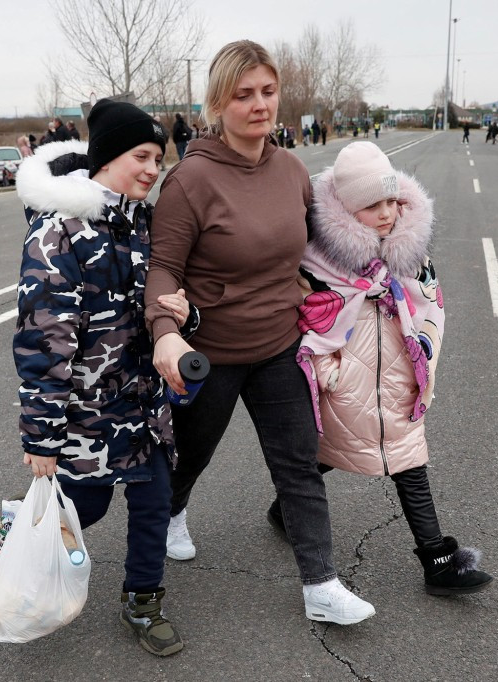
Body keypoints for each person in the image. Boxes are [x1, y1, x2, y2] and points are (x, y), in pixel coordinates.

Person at [146, 39, 376, 626]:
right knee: (191, 455)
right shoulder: (190, 181)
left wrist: (391, 254)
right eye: (243, 94)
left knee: (297, 464)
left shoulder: (292, 169)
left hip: (280, 347)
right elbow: (163, 268)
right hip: (212, 353)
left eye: (268, 92)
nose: (259, 104)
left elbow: (320, 250)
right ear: (218, 103)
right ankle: (172, 512)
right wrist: (165, 334)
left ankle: (321, 585)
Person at [13, 99, 197, 657]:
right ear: (107, 157)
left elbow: (164, 304)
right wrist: (42, 439)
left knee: (154, 503)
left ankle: (143, 600)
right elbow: (43, 341)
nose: (152, 168)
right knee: (81, 508)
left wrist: (187, 317)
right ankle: (22, 549)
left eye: (158, 159)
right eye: (141, 155)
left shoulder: (146, 222)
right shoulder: (59, 234)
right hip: (85, 418)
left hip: (144, 407)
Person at [292, 141, 495, 596]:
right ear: (345, 209)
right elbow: (308, 315)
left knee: (407, 458)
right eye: (371, 205)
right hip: (348, 380)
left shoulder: (409, 253)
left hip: (400, 377)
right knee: (326, 454)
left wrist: (423, 360)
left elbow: (430, 306)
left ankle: (437, 562)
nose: (385, 213)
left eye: (390, 201)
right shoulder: (317, 260)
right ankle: (285, 509)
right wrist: (330, 371)